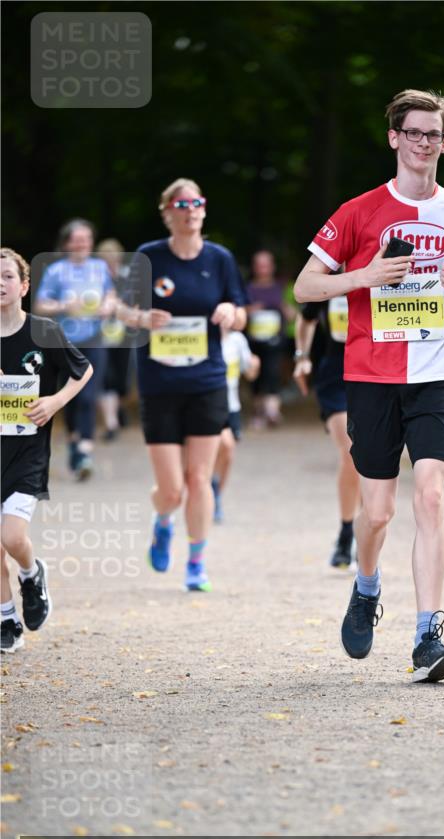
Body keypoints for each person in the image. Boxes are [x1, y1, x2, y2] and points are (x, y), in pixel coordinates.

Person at [294, 88, 444, 682]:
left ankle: (428, 637)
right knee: (378, 512)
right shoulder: (358, 211)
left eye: (433, 135)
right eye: (413, 133)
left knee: (431, 496)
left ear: (443, 143)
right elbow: (305, 287)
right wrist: (365, 275)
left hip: (436, 372)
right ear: (394, 138)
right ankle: (366, 586)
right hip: (371, 376)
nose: (423, 143)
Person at [125, 178, 247, 592]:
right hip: (159, 382)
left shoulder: (220, 258)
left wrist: (232, 312)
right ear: (167, 212)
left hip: (207, 380)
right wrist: (142, 318)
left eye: (197, 202)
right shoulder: (148, 256)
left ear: (204, 210)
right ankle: (163, 522)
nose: (190, 209)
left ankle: (196, 561)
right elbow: (120, 310)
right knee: (172, 489)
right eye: (182, 203)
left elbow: (242, 312)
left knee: (199, 477)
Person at [1, 248, 92, 653]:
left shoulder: (43, 331)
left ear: (23, 286)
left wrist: (54, 402)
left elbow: (83, 370)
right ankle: (7, 620)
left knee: (11, 536)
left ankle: (30, 573)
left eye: (6, 276)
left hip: (27, 454)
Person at [34, 219, 114, 479]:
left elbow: (111, 295)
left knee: (89, 395)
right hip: (64, 343)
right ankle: (73, 444)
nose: (82, 244)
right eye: (77, 240)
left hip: (94, 339)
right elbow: (39, 306)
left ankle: (84, 452)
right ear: (67, 243)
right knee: (71, 398)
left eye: (86, 239)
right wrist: (63, 306)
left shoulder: (100, 267)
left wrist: (107, 306)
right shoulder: (56, 271)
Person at [294, 296, 360, 568]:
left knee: (371, 457)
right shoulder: (327, 276)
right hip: (335, 377)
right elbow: (306, 317)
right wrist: (302, 356)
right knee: (350, 450)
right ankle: (346, 532)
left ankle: (368, 530)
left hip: (375, 374)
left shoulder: (382, 271)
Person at [211, 329, 260, 523]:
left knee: (227, 453)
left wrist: (255, 365)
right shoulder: (205, 335)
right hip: (207, 404)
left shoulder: (237, 340)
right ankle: (207, 491)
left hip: (231, 407)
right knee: (224, 445)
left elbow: (250, 374)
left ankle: (215, 494)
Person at [246, 250, 293, 429]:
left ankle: (272, 412)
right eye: (259, 264)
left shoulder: (282, 287)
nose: (263, 269)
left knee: (273, 374)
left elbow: (294, 315)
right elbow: (239, 314)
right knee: (255, 377)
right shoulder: (247, 288)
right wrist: (252, 310)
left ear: (272, 266)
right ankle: (259, 412)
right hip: (253, 341)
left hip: (276, 341)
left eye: (266, 264)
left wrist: (283, 306)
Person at [96, 238, 133, 441]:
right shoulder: (95, 277)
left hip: (123, 333)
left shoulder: (128, 276)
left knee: (121, 378)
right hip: (100, 333)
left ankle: (117, 409)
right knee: (105, 377)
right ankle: (111, 423)